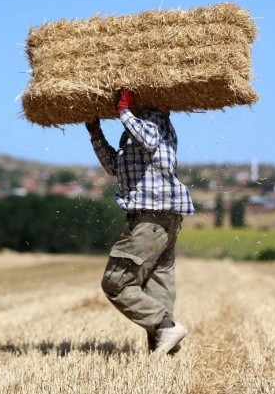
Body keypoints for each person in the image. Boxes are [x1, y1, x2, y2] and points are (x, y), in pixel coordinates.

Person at [85, 88, 194, 354]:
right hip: (164, 218)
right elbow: (115, 167)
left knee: (116, 283)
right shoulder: (133, 130)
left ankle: (166, 327)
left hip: (149, 218)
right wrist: (96, 135)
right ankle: (165, 349)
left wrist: (123, 110)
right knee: (158, 283)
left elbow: (148, 139)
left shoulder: (153, 118)